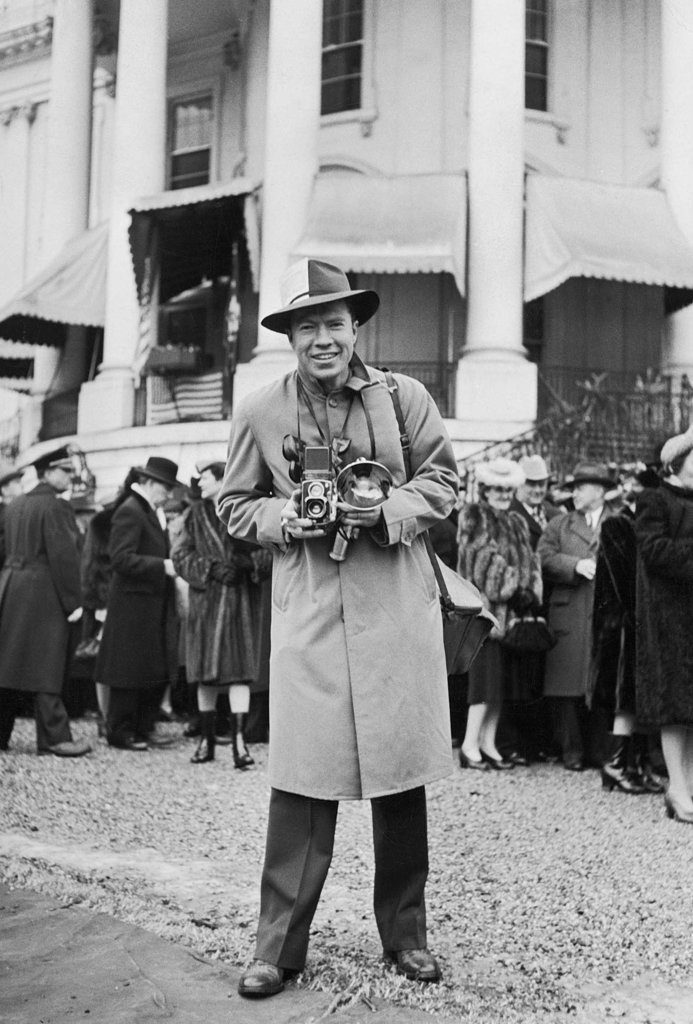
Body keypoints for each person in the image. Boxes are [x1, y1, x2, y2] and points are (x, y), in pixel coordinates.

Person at [217, 258, 458, 998]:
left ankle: (406, 937)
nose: (321, 338)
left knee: (399, 774)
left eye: (333, 323)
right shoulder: (260, 409)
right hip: (312, 608)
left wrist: (384, 512)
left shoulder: (406, 397)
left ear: (356, 327)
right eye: (306, 326)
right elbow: (231, 505)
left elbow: (444, 481)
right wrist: (281, 517)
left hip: (391, 602)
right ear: (290, 336)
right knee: (302, 779)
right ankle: (277, 948)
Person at [0, 446, 91, 756]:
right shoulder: (56, 507)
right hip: (44, 593)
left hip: (12, 589)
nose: (70, 476)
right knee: (47, 664)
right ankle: (54, 737)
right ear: (49, 472)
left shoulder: (15, 505)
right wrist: (74, 602)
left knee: (9, 664)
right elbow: (65, 558)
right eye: (65, 471)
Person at [456, 458, 542, 770]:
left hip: (512, 614)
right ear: (485, 489)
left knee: (500, 687)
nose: (504, 495)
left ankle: (488, 743)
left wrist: (532, 588)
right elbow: (481, 560)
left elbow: (531, 559)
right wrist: (514, 585)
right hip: (487, 614)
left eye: (508, 490)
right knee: (484, 685)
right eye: (498, 489)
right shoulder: (475, 515)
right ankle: (469, 745)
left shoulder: (516, 521)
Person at [172, 458, 257, 766]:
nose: (200, 483)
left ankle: (239, 743)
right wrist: (210, 569)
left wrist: (248, 565)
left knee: (239, 675)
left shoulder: (245, 509)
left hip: (240, 604)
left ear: (224, 479)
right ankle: (206, 741)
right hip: (206, 604)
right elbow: (179, 555)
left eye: (206, 477)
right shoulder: (194, 515)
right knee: (204, 675)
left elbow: (270, 551)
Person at [96, 457, 180, 751]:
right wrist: (163, 566)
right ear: (147, 482)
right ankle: (120, 731)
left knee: (148, 668)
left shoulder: (147, 510)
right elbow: (120, 558)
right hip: (133, 607)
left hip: (147, 604)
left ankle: (144, 727)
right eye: (165, 487)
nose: (169, 494)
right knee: (128, 671)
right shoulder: (131, 511)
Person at [590, 465, 664, 795]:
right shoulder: (618, 525)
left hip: (635, 619)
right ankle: (617, 763)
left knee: (638, 696)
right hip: (624, 622)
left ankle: (634, 763)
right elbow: (624, 579)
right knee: (626, 694)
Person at [538, 462, 614, 771]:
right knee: (564, 687)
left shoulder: (619, 522)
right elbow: (543, 558)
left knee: (599, 685)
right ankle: (571, 751)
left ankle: (599, 752)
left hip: (603, 612)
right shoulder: (559, 524)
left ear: (598, 491)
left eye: (580, 488)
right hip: (569, 611)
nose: (574, 493)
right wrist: (574, 565)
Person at [634, 427, 693, 824]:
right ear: (676, 464)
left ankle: (684, 785)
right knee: (675, 705)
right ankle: (677, 786)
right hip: (669, 618)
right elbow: (654, 551)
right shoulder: (654, 499)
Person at [0, 461, 24, 569]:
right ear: (4, 490)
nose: (21, 485)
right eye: (17, 482)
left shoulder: (19, 510)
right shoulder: (4, 514)